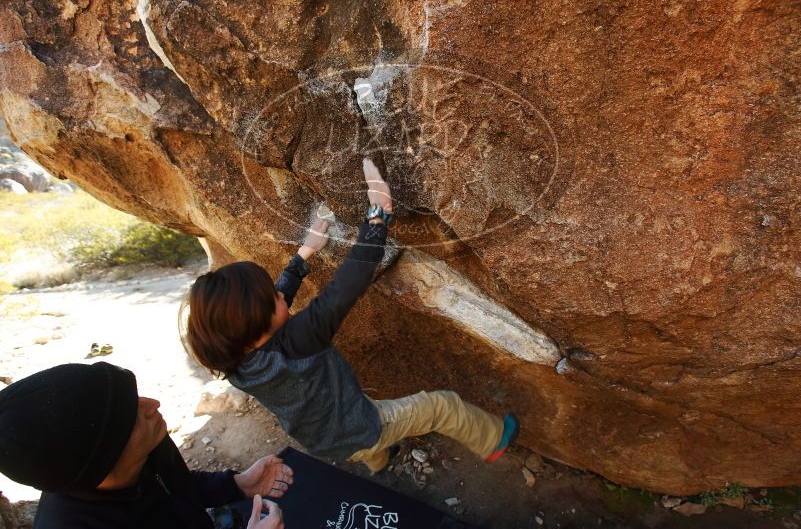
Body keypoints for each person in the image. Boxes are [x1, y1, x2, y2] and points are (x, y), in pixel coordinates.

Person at [182, 158, 520, 473]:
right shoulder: (296, 344)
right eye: (273, 298)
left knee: (359, 430)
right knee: (441, 406)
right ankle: (493, 439)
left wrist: (305, 252)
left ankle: (379, 461)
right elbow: (343, 290)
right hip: (361, 425)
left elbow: (277, 299)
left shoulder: (237, 360)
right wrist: (378, 218)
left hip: (322, 437)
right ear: (255, 327)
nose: (279, 293)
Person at [0, 362, 292, 529]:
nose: (152, 405)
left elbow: (176, 487)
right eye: (130, 416)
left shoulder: (145, 448)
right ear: (103, 462)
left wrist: (238, 485)